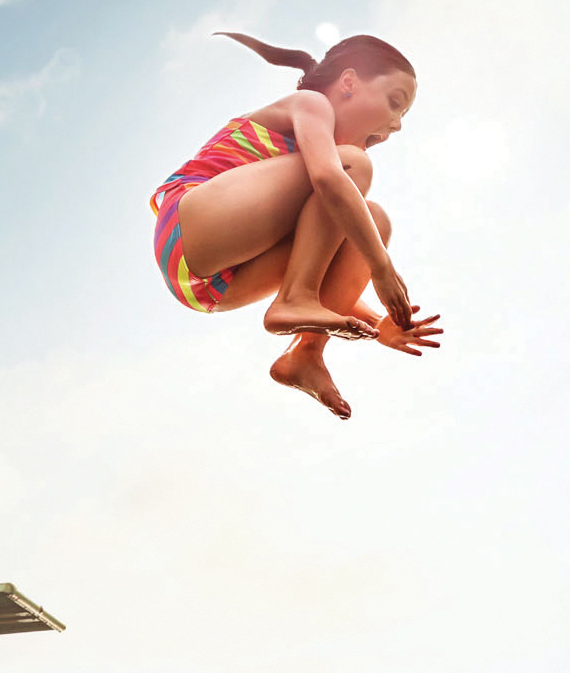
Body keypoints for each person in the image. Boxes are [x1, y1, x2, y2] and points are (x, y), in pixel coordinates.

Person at [150, 31, 442, 419]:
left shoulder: (311, 196)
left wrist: (376, 325)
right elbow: (327, 176)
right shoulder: (311, 104)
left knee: (371, 219)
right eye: (394, 103)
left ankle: (305, 355)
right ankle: (294, 301)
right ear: (350, 83)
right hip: (189, 225)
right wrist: (381, 267)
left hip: (216, 285)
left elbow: (319, 266)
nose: (397, 126)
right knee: (351, 171)